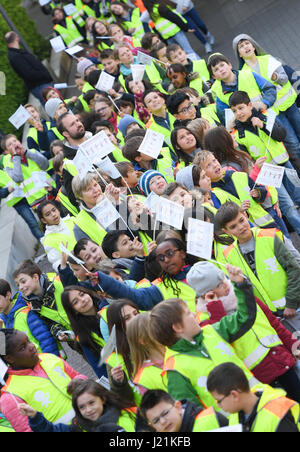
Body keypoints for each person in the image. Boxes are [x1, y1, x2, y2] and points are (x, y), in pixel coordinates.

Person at [148, 264, 263, 410]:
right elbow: (191, 413)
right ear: (177, 327)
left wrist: (240, 284)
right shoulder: (175, 370)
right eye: (188, 314)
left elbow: (244, 317)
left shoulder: (212, 331)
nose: (194, 316)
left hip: (259, 401)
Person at [187, 261, 300, 403]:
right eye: (219, 286)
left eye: (223, 280)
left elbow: (273, 323)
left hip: (281, 361)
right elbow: (223, 339)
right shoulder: (204, 320)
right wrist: (215, 308)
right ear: (207, 294)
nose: (226, 285)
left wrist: (294, 345)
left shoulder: (243, 295)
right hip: (259, 377)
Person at [228, 90, 300, 235]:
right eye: (234, 111)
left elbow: (281, 135)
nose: (239, 113)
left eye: (241, 108)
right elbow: (246, 159)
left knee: (298, 195)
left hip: (284, 164)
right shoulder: (238, 134)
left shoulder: (266, 116)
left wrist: (263, 126)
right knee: (288, 207)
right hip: (268, 173)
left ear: (249, 105)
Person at [215, 201, 300, 320]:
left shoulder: (269, 237)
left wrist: (291, 303)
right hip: (270, 316)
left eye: (241, 220)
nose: (240, 227)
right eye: (233, 226)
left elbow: (294, 269)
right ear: (226, 232)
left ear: (245, 215)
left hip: (294, 305)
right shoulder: (229, 255)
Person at [233, 34, 300, 173]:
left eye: (247, 43)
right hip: (272, 114)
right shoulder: (243, 74)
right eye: (241, 46)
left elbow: (284, 78)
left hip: (289, 105)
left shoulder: (268, 59)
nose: (245, 47)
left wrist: (275, 77)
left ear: (253, 45)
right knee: (293, 144)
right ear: (238, 53)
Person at [0, 329, 87, 432]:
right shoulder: (10, 396)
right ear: (9, 359)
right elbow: (26, 430)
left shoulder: (49, 358)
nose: (32, 346)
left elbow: (77, 376)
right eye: (23, 347)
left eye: (28, 341)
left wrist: (79, 380)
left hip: (95, 421)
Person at [84, 237, 198, 312]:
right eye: (161, 258)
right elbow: (132, 295)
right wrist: (104, 280)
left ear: (182, 253)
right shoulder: (160, 290)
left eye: (170, 253)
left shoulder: (203, 269)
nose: (166, 260)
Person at [207, 362, 300, 432]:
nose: (218, 405)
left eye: (219, 401)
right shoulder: (235, 416)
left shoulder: (277, 413)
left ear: (234, 395)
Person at [18, 379, 136, 432]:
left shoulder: (125, 418)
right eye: (82, 407)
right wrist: (34, 417)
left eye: (91, 403)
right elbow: (51, 430)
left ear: (103, 399)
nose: (88, 410)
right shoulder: (79, 426)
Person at [12, 259, 72, 351]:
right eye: (18, 285)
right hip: (75, 340)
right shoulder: (32, 305)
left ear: (35, 277)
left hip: (88, 325)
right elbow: (49, 323)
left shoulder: (58, 282)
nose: (20, 287)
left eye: (23, 282)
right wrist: (59, 332)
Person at [208, 53, 277, 126]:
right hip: (247, 129)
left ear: (229, 65)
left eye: (222, 65)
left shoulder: (248, 74)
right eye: (216, 69)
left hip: (267, 119)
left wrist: (265, 103)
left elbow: (270, 88)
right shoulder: (218, 92)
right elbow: (224, 116)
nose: (221, 69)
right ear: (214, 76)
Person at [0, 279, 59, 356]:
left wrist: (50, 362)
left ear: (8, 295)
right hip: (27, 366)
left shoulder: (26, 313)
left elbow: (45, 339)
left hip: (44, 362)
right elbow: (4, 353)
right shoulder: (1, 322)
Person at [61, 286, 108, 378]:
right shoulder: (84, 337)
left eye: (82, 294)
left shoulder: (108, 304)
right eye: (76, 302)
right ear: (73, 311)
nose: (82, 300)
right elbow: (101, 371)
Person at [104, 300, 141, 405]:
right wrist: (119, 383)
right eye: (127, 318)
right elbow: (123, 400)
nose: (135, 319)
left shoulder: (157, 334)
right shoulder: (114, 359)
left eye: (136, 313)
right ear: (118, 326)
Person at [139, 389, 227, 432]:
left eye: (165, 413)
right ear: (152, 426)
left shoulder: (209, 419)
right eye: (156, 420)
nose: (162, 421)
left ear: (178, 407)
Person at [5, 31, 53, 105]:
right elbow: (29, 73)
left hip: (41, 84)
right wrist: (43, 75)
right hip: (40, 85)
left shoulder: (16, 53)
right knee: (53, 106)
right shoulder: (15, 56)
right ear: (16, 38)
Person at [126, 312, 166, 396]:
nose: (164, 328)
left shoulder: (178, 348)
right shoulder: (143, 377)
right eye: (156, 327)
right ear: (143, 340)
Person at [37, 200, 77, 272]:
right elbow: (57, 263)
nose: (53, 214)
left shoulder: (72, 220)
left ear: (58, 210)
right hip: (79, 271)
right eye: (48, 214)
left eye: (54, 210)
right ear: (44, 220)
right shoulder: (48, 240)